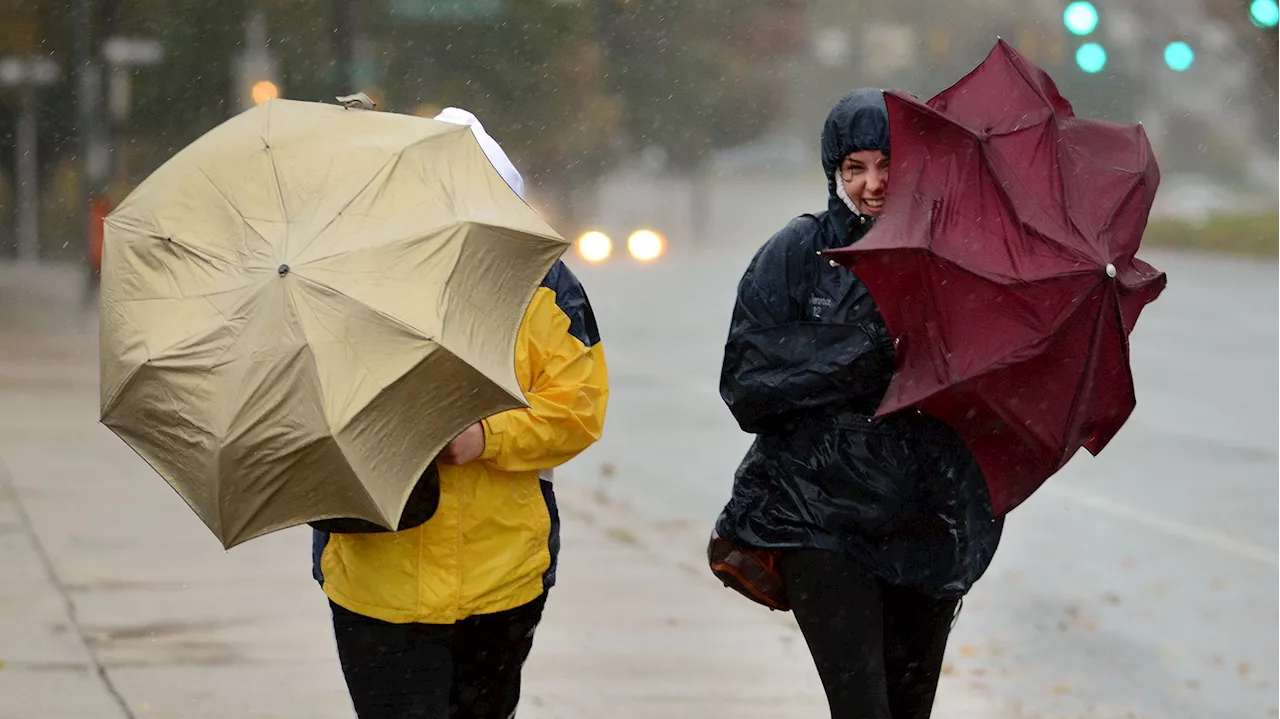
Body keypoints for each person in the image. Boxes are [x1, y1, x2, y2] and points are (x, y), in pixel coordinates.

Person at [712, 88, 1004, 719]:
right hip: (820, 518)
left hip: (929, 521)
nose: (872, 184)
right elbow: (746, 386)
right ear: (833, 171)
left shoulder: (956, 255)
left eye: (886, 165)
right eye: (855, 168)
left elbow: (987, 394)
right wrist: (864, 354)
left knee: (909, 707)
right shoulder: (797, 254)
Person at [311, 107, 609, 719]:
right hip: (376, 579)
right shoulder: (348, 283)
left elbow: (578, 409)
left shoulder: (548, 290)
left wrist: (486, 437)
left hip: (501, 579)